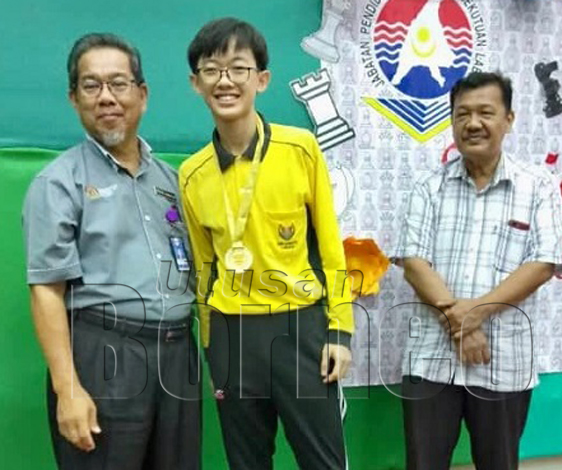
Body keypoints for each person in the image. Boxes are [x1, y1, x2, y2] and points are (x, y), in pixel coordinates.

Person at [180, 17, 353, 470]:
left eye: (238, 68)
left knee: (324, 460)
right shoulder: (192, 174)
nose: (225, 81)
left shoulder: (301, 148)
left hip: (301, 330)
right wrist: (211, 344)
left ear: (262, 78)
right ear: (195, 83)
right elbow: (203, 267)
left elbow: (330, 248)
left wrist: (339, 331)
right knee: (246, 461)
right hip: (231, 338)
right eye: (211, 70)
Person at [22, 33, 200, 470]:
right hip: (104, 357)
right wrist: (68, 390)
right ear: (74, 97)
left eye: (118, 84)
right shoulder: (58, 182)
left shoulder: (172, 180)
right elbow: (46, 291)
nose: (106, 97)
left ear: (142, 94)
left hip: (179, 358)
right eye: (91, 85)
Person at [397, 71, 562, 470]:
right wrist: (464, 325)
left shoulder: (538, 186)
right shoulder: (428, 186)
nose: (473, 123)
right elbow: (413, 262)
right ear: (452, 120)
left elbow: (543, 263)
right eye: (462, 114)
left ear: (508, 119)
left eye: (485, 112)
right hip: (430, 360)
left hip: (503, 363)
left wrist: (475, 314)